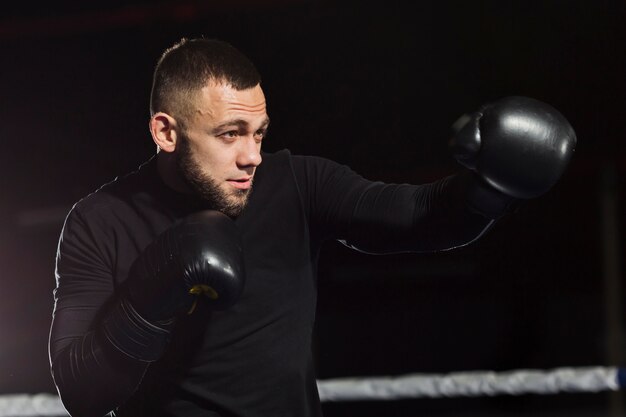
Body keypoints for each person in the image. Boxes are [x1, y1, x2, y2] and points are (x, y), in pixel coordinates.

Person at [48, 37, 576, 417]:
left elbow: (414, 217)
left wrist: (486, 190)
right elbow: (83, 395)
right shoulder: (99, 221)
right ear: (166, 132)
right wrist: (146, 303)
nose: (251, 156)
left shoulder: (296, 182)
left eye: (259, 134)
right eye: (230, 134)